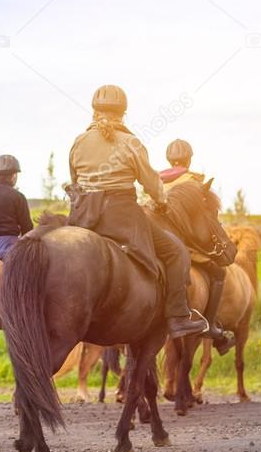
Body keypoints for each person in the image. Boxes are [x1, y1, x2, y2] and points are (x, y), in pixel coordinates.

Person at [68, 85, 219, 339]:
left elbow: (73, 179)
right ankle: (178, 317)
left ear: (94, 111)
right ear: (123, 113)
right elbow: (151, 184)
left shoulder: (79, 142)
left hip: (83, 216)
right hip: (122, 217)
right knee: (176, 252)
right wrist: (161, 203)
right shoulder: (130, 142)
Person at [160, 139, 234, 355]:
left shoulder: (156, 179)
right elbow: (201, 222)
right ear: (189, 158)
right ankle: (209, 323)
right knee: (218, 271)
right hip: (183, 244)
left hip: (157, 240)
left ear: (168, 159)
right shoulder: (194, 183)